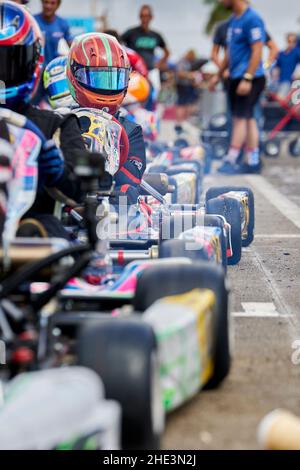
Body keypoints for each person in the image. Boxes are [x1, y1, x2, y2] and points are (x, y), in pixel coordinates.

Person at [0, 2, 86, 235]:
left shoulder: (57, 125)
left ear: (33, 63)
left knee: (45, 230)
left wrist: (59, 173)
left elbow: (83, 190)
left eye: (6, 63)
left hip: (32, 235)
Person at [66, 32, 146, 204]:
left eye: (113, 79)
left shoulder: (131, 130)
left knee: (127, 192)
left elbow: (132, 178)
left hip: (111, 210)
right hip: (67, 197)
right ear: (74, 76)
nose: (106, 89)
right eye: (97, 79)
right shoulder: (61, 122)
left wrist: (109, 151)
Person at [209, 0, 266, 174]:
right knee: (248, 119)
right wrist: (218, 75)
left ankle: (231, 159)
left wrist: (248, 78)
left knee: (239, 119)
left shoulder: (252, 18)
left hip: (249, 77)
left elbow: (257, 50)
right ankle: (253, 161)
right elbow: (230, 53)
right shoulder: (234, 19)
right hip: (236, 77)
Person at [122, 4, 169, 72]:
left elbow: (167, 52)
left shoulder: (156, 35)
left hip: (151, 71)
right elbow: (118, 43)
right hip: (134, 71)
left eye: (146, 16)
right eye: (142, 16)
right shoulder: (131, 33)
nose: (144, 19)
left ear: (151, 17)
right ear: (139, 17)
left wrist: (159, 64)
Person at [175, 50, 200, 124]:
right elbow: (179, 74)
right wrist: (191, 75)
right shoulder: (182, 62)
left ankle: (184, 121)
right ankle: (180, 122)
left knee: (187, 104)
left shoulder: (187, 62)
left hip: (187, 86)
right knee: (182, 104)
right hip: (182, 86)